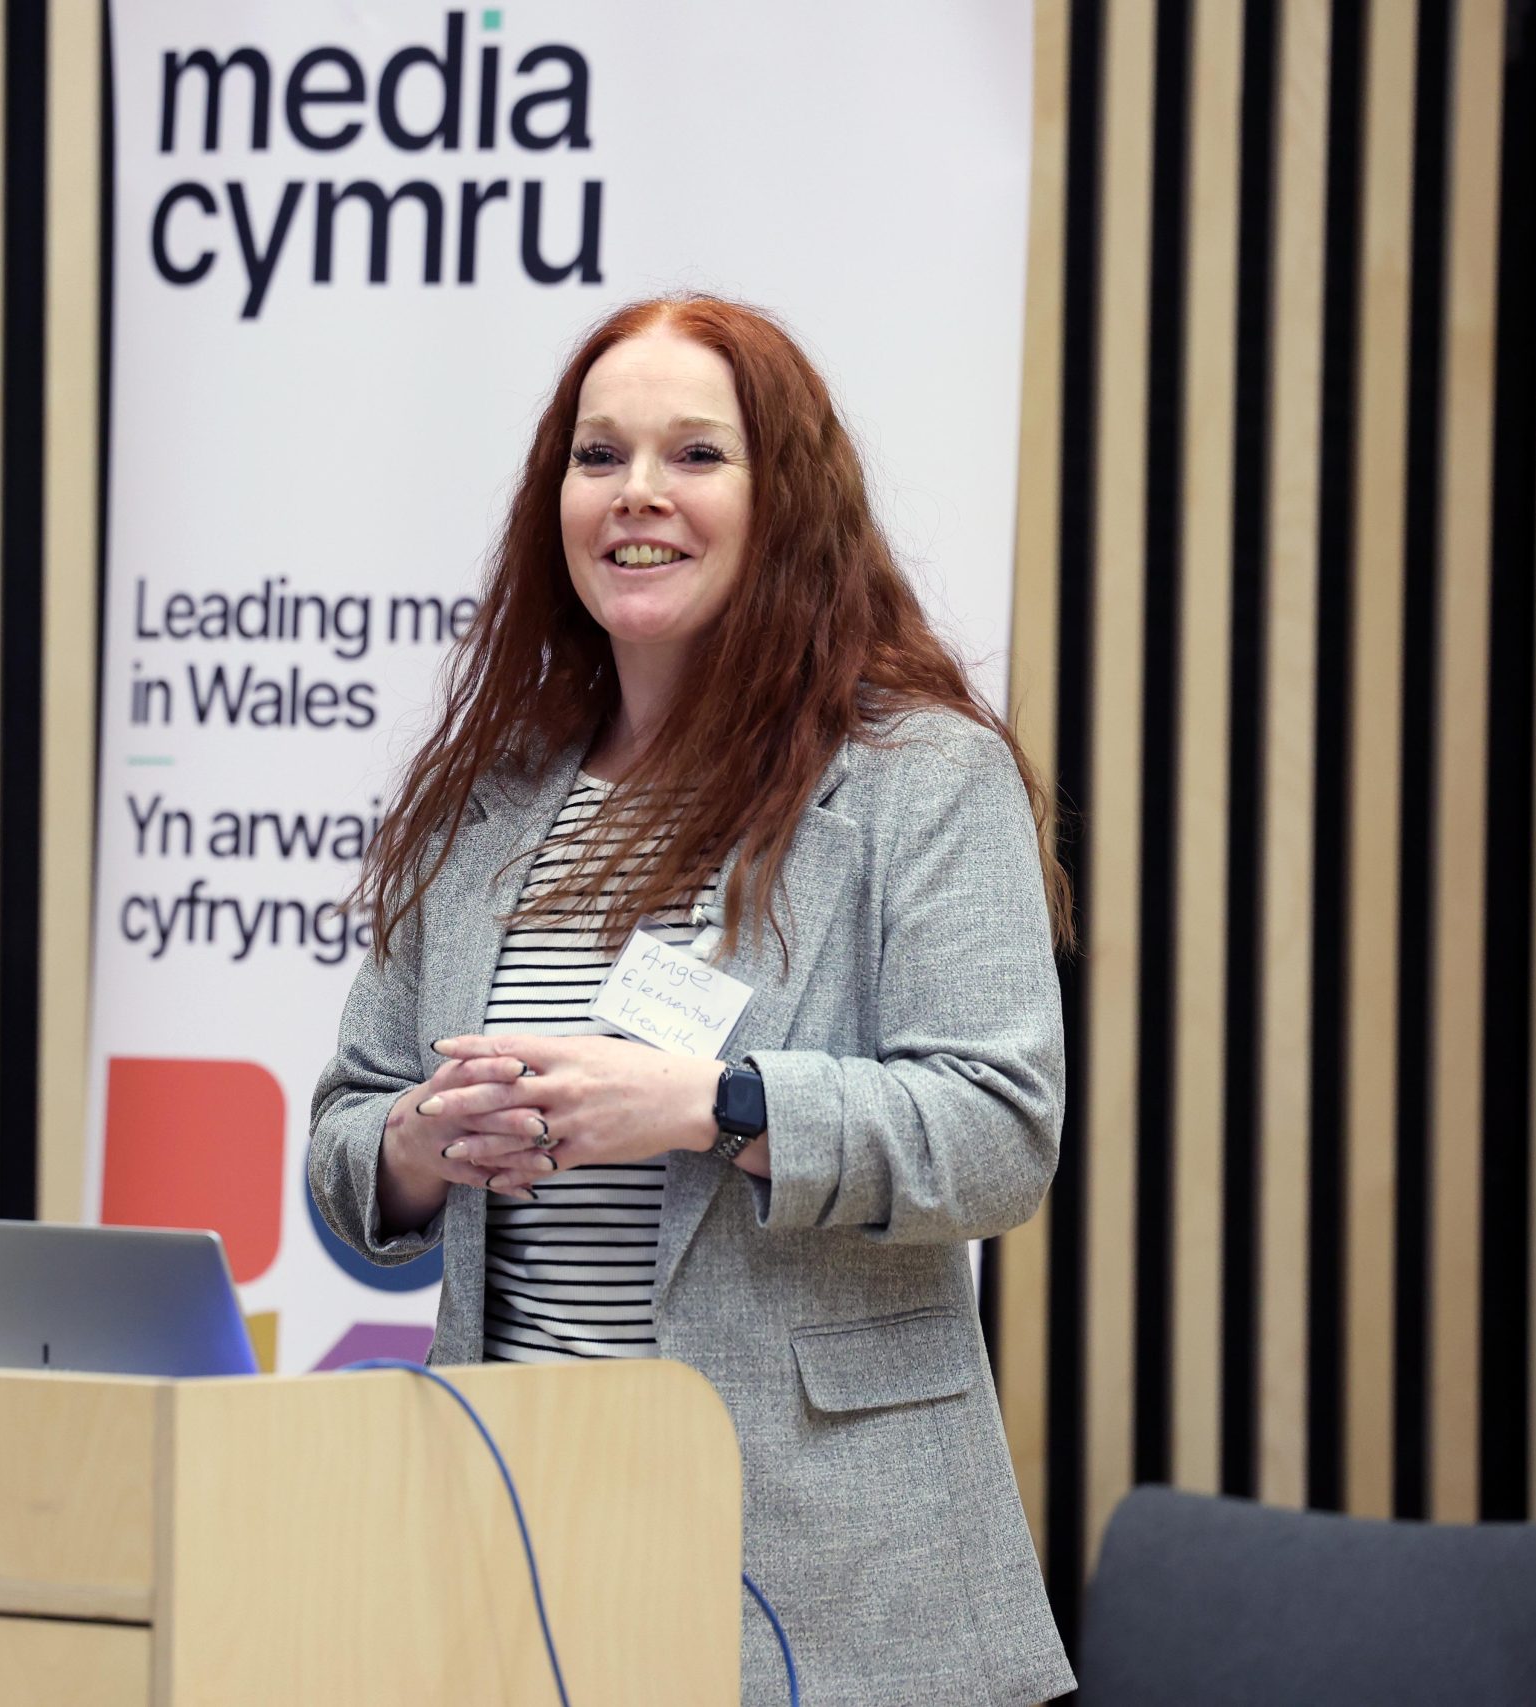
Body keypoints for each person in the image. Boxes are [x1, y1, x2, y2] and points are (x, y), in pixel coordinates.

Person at [307, 294, 1077, 1704]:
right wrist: (421, 1144)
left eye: (695, 456)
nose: (637, 495)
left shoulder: (918, 776)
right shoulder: (491, 800)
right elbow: (349, 1139)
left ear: (785, 497)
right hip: (522, 1556)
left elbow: (998, 1131)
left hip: (829, 1580)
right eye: (598, 457)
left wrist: (708, 1106)